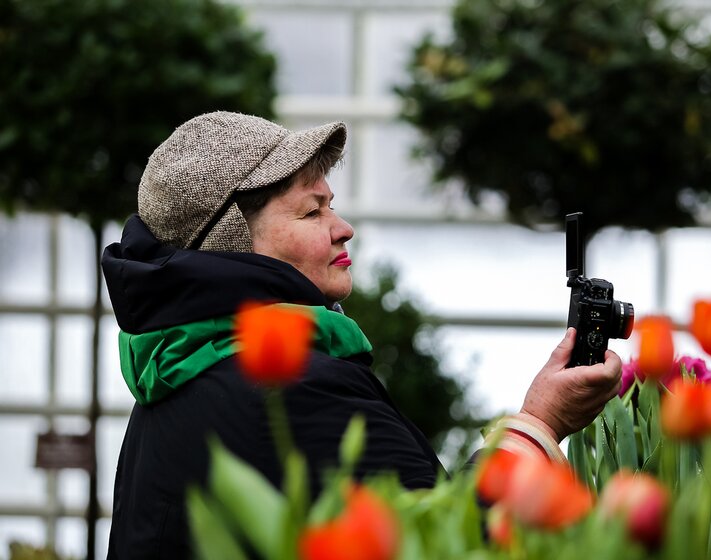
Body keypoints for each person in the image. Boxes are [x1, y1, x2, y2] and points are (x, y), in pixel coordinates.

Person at [101, 111, 622, 558]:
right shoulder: (295, 391)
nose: (343, 226)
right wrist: (539, 423)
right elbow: (445, 540)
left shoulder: (172, 376)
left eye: (331, 204)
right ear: (234, 243)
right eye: (312, 209)